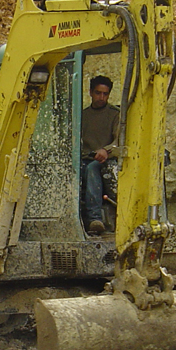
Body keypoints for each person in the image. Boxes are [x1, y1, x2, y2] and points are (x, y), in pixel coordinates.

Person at [80, 75, 119, 235]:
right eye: (98, 93)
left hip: (105, 160)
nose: (101, 97)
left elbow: (119, 141)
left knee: (92, 169)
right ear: (90, 92)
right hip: (84, 158)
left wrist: (106, 150)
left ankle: (94, 218)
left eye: (105, 94)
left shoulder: (115, 115)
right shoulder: (83, 116)